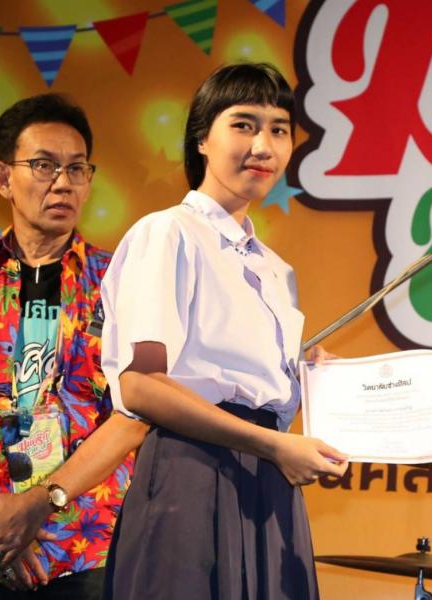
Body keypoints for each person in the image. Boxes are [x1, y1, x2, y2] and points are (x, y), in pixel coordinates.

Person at [99, 62, 349, 600]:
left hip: (268, 482)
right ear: (202, 139)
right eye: (243, 125)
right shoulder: (168, 233)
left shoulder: (276, 271)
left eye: (279, 130)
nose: (263, 145)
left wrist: (308, 380)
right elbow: (141, 384)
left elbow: (257, 395)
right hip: (190, 473)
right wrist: (273, 444)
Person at [0, 94, 148, 598]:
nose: (63, 182)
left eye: (77, 168)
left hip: (90, 547)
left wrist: (39, 502)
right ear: (3, 178)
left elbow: (139, 412)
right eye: (43, 165)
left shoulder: (124, 282)